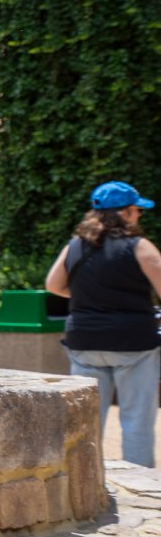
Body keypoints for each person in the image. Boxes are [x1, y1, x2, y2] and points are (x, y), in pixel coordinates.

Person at [46, 180, 161, 468]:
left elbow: (53, 285)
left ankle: (86, 486)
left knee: (86, 423)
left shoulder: (74, 246)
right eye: (137, 210)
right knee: (136, 420)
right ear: (125, 213)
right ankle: (139, 483)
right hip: (133, 344)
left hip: (84, 343)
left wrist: (92, 295)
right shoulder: (139, 246)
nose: (139, 216)